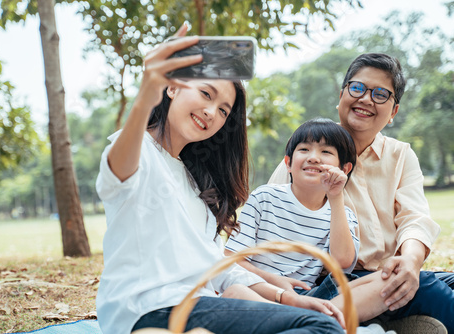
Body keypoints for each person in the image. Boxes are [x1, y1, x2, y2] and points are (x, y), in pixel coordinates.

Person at [95, 25, 345, 334]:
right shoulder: (135, 150)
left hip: (198, 308)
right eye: (205, 93)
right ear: (172, 88)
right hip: (148, 310)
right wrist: (146, 94)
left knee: (318, 324)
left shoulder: (194, 182)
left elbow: (219, 268)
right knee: (320, 329)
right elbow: (116, 171)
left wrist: (284, 298)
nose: (212, 112)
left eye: (224, 110)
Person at [268, 53, 454, 331]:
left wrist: (411, 262)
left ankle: (395, 317)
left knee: (437, 280)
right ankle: (386, 316)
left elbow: (414, 219)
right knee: (427, 286)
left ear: (393, 112)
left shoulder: (400, 155)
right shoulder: (307, 159)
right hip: (336, 283)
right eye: (357, 88)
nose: (366, 99)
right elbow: (270, 225)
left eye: (381, 94)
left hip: (391, 270)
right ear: (341, 95)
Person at [226, 118, 399, 323]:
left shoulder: (341, 213)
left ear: (344, 169)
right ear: (288, 163)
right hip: (260, 292)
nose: (314, 158)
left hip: (309, 299)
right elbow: (230, 259)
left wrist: (336, 196)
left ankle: (308, 320)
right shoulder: (264, 197)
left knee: (388, 279)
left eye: (326, 152)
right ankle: (310, 322)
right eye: (304, 149)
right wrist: (273, 281)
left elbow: (342, 263)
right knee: (235, 292)